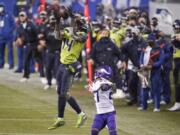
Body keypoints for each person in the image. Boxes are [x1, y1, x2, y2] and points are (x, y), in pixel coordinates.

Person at [48, 11, 87, 130]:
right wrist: (57, 23)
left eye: (75, 19)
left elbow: (79, 38)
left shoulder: (83, 30)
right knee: (61, 92)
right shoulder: (69, 29)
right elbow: (57, 36)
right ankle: (80, 114)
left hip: (71, 65)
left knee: (63, 93)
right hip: (62, 64)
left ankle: (61, 118)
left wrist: (72, 29)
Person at [89, 29, 125, 99]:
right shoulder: (96, 44)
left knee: (117, 77)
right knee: (99, 81)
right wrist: (91, 59)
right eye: (103, 33)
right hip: (99, 66)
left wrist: (123, 61)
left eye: (106, 34)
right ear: (100, 34)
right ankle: (99, 94)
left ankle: (118, 92)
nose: (104, 35)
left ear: (108, 35)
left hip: (110, 65)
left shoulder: (112, 44)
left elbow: (119, 53)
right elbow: (92, 54)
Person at [89, 65, 118, 135]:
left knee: (112, 131)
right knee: (94, 131)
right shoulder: (98, 83)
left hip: (110, 113)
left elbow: (105, 87)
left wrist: (108, 86)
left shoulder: (106, 83)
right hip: (100, 114)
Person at [15, 11, 38, 82]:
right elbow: (18, 38)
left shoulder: (31, 25)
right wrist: (18, 41)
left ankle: (44, 75)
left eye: (23, 16)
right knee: (26, 61)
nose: (22, 17)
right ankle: (26, 76)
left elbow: (36, 34)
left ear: (26, 16)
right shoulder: (19, 27)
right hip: (26, 46)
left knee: (38, 60)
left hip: (34, 44)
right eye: (20, 16)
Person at [168, 19, 180, 111]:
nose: (176, 29)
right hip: (176, 60)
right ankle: (177, 102)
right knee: (176, 82)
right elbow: (172, 48)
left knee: (178, 82)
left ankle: (178, 102)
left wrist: (176, 40)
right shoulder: (173, 35)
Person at [0, 2, 16, 69]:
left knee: (10, 51)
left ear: (3, 7)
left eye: (1, 6)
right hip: (1, 37)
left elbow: (14, 25)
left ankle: (11, 64)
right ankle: (1, 64)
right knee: (1, 51)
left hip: (9, 36)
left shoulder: (9, 15)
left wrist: (10, 32)